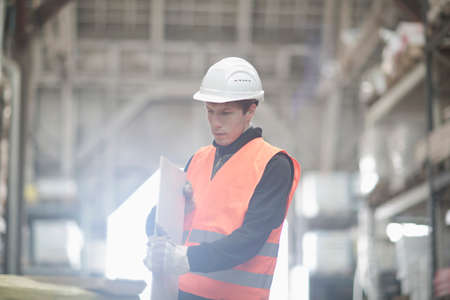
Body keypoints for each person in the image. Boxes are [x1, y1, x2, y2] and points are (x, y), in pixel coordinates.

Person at [144, 57, 301, 300]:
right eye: (210, 111)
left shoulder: (274, 165)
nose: (216, 123)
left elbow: (250, 239)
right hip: (182, 294)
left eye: (226, 113)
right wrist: (158, 245)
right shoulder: (198, 160)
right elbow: (163, 221)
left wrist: (186, 258)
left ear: (250, 111)